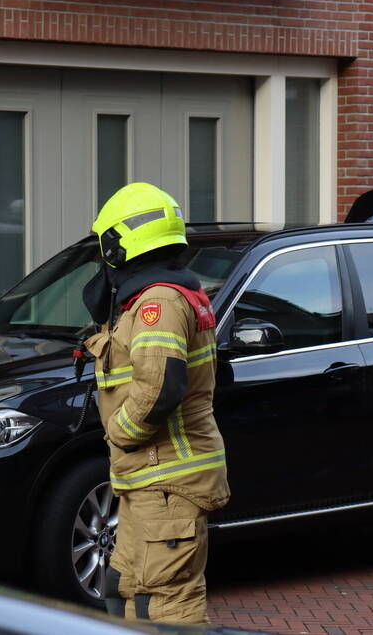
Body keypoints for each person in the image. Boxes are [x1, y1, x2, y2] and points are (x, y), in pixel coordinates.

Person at [81, 182, 230, 624]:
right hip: (149, 482)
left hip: (166, 481)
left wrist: (121, 434)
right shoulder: (157, 297)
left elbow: (160, 386)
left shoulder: (158, 302)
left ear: (118, 242)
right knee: (124, 588)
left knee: (163, 605)